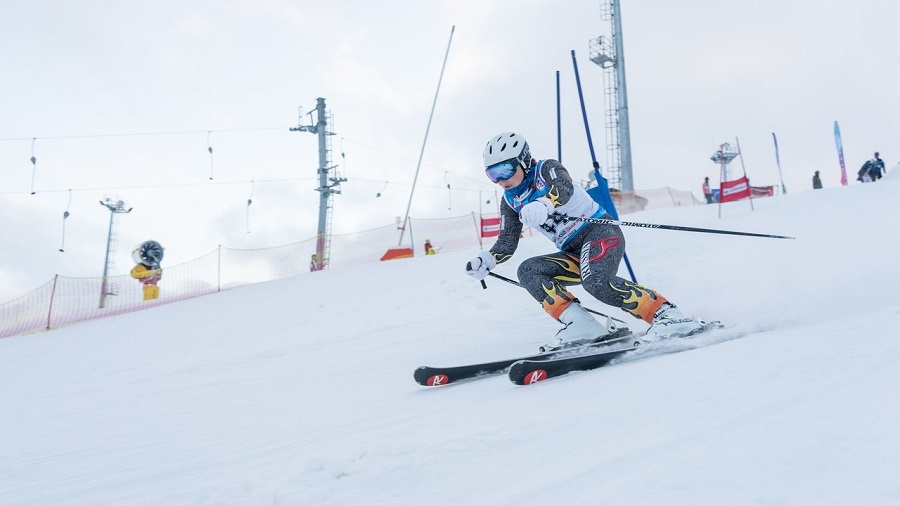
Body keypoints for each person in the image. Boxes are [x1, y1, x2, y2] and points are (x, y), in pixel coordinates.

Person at [466, 132, 705, 351]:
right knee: (529, 270)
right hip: (573, 251)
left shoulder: (546, 169)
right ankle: (582, 325)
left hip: (599, 233)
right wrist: (488, 260)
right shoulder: (510, 200)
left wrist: (545, 203)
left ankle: (667, 315)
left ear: (524, 160)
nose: (500, 179)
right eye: (492, 174)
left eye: (505, 169)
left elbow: (563, 187)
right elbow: (507, 240)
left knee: (596, 282)